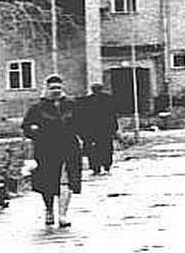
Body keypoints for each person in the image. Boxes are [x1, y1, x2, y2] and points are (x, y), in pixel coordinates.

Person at [21, 75, 83, 228]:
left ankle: (63, 215)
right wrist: (33, 129)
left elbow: (83, 123)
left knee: (68, 180)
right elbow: (26, 127)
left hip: (69, 146)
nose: (56, 91)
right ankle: (49, 209)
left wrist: (86, 140)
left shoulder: (72, 104)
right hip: (46, 147)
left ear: (63, 88)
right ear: (46, 89)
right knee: (47, 182)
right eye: (52, 88)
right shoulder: (37, 107)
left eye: (58, 88)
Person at [73, 82, 121, 176]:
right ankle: (106, 166)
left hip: (91, 130)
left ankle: (95, 168)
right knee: (106, 148)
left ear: (92, 89)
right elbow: (113, 115)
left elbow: (80, 116)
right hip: (105, 129)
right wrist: (115, 128)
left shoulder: (86, 101)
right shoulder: (109, 99)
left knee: (93, 149)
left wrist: (81, 131)